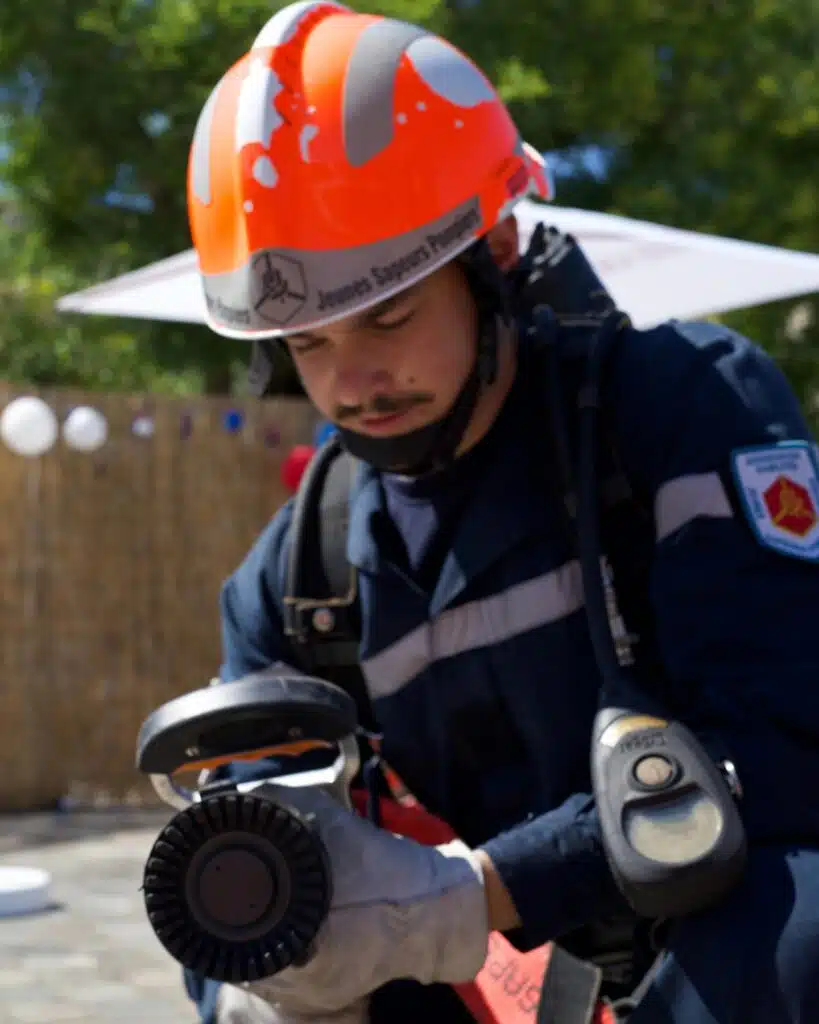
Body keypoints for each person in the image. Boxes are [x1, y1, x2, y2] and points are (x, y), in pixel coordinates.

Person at [183, 2, 819, 1021]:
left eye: (388, 313)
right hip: (499, 980)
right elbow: (231, 861)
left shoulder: (680, 410)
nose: (353, 382)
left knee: (799, 929)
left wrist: (479, 890)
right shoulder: (301, 575)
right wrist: (257, 970)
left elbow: (787, 746)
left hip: (718, 949)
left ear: (499, 256)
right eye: (308, 343)